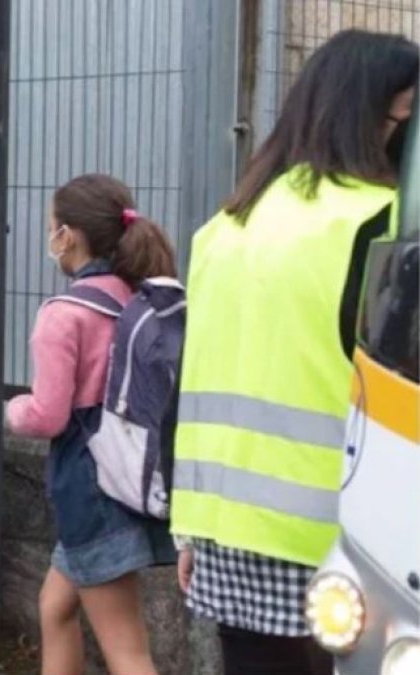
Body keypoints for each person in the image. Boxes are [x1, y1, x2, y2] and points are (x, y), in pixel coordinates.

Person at [170, 30, 417, 675]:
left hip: (227, 532)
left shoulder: (226, 226)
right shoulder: (381, 224)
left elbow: (194, 384)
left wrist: (190, 530)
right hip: (347, 543)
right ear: (377, 117)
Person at [5, 175, 179, 675]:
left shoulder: (64, 315)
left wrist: (12, 410)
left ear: (68, 236)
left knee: (127, 653)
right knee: (54, 607)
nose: (50, 237)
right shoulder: (138, 299)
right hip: (133, 476)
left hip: (90, 485)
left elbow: (47, 414)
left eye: (51, 227)